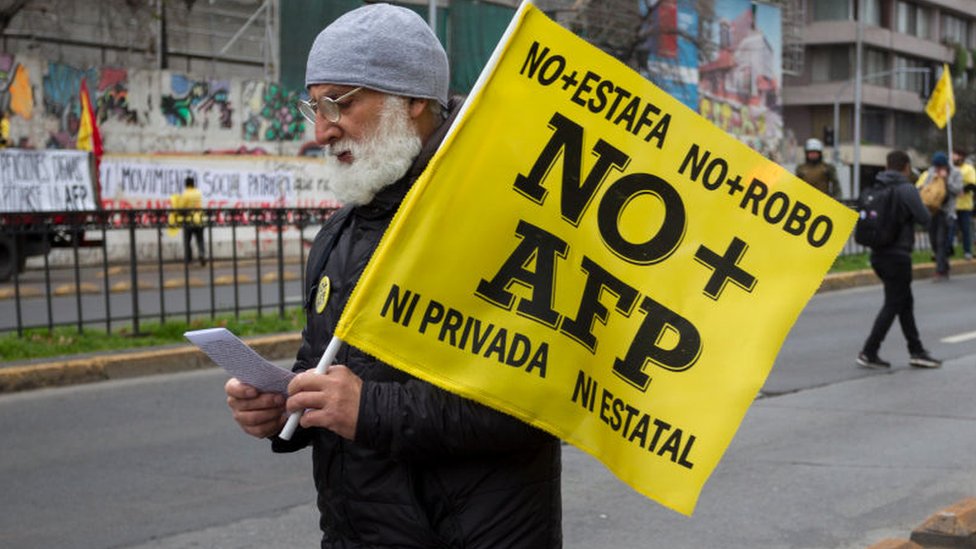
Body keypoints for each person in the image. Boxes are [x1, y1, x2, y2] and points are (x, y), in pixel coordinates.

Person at [223, 4, 562, 548]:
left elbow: (536, 403)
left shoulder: (504, 222)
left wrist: (369, 410)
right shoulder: (339, 234)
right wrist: (284, 402)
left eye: (340, 103)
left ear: (413, 100)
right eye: (314, 105)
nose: (321, 129)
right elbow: (330, 370)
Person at [857, 150, 941, 369]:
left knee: (905, 303)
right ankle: (869, 351)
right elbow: (925, 219)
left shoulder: (876, 187)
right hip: (898, 256)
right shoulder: (906, 189)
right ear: (905, 167)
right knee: (895, 303)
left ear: (887, 166)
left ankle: (916, 351)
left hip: (878, 254)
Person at [916, 151, 962, 281]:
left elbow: (958, 190)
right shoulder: (931, 172)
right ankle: (944, 266)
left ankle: (940, 271)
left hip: (946, 211)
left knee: (941, 241)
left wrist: (946, 179)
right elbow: (925, 186)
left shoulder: (955, 173)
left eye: (939, 166)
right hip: (932, 211)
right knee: (933, 241)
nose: (937, 169)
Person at [171, 175, 206, 266]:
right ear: (193, 184)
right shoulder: (198, 192)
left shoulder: (185, 194)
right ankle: (202, 254)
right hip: (199, 219)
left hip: (189, 219)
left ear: (186, 184)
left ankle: (189, 259)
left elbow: (181, 207)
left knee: (187, 240)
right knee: (200, 240)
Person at [948, 147, 975, 259]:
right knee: (950, 230)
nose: (952, 157)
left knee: (966, 230)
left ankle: (967, 252)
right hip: (952, 206)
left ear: (960, 156)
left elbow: (973, 184)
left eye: (954, 155)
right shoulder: (950, 169)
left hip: (964, 206)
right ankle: (948, 250)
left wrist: (963, 190)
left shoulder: (968, 169)